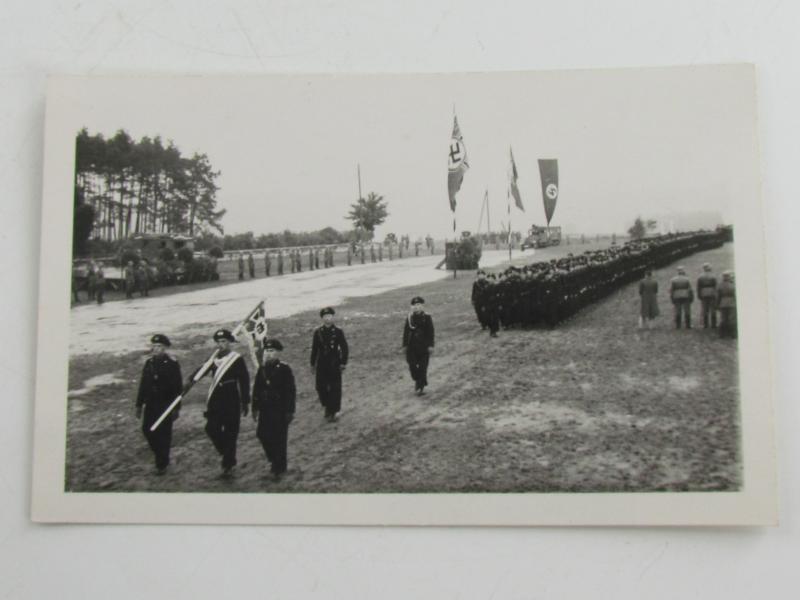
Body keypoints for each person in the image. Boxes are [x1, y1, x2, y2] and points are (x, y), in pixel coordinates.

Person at [199, 329, 250, 476]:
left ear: (230, 343)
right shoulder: (214, 358)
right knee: (211, 428)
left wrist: (245, 401)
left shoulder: (236, 359)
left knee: (230, 432)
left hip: (231, 399)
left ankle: (227, 464)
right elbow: (201, 370)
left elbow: (244, 380)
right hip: (215, 399)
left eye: (224, 342)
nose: (222, 345)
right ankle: (227, 453)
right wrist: (190, 380)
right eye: (219, 342)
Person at [136, 334, 183, 475]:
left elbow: (178, 387)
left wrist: (176, 408)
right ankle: (161, 456)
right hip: (150, 403)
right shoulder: (149, 363)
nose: (156, 349)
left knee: (164, 434)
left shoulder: (172, 364)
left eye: (160, 347)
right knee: (147, 430)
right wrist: (139, 405)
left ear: (166, 348)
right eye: (154, 346)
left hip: (166, 404)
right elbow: (143, 385)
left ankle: (161, 464)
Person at [251, 338, 296, 481]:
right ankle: (273, 459)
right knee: (262, 435)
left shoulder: (284, 369)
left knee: (279, 439)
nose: (269, 354)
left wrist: (290, 411)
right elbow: (256, 390)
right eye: (267, 351)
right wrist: (255, 408)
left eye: (272, 351)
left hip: (280, 409)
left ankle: (279, 468)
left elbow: (290, 391)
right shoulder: (262, 369)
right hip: (265, 409)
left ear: (278, 353)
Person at [310, 307, 349, 422]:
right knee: (320, 387)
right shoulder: (318, 332)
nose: (328, 318)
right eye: (325, 317)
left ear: (333, 317)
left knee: (335, 388)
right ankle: (327, 406)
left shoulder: (338, 331)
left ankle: (334, 411)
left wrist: (343, 362)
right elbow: (314, 349)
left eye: (330, 316)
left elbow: (344, 347)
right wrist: (312, 364)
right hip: (322, 364)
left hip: (334, 363)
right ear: (322, 318)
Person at [402, 296, 435, 395]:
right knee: (412, 366)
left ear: (423, 306)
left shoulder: (427, 317)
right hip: (412, 347)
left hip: (424, 347)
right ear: (412, 307)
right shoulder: (409, 318)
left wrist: (430, 345)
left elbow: (431, 332)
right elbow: (406, 332)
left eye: (419, 305)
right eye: (415, 305)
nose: (417, 307)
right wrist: (404, 345)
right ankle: (418, 379)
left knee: (423, 367)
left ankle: (420, 387)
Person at [696, 263, 718, 328]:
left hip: (703, 293)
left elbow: (698, 287)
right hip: (712, 293)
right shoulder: (713, 276)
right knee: (713, 309)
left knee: (705, 309)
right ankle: (713, 324)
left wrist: (699, 295)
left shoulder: (700, 276)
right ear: (709, 268)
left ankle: (705, 325)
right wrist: (716, 294)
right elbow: (716, 286)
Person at [717, 271, 737, 338]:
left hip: (723, 303)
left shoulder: (720, 285)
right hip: (732, 303)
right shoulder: (733, 285)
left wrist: (717, 304)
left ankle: (722, 334)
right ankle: (733, 334)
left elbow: (718, 296)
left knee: (723, 319)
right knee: (732, 319)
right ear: (729, 277)